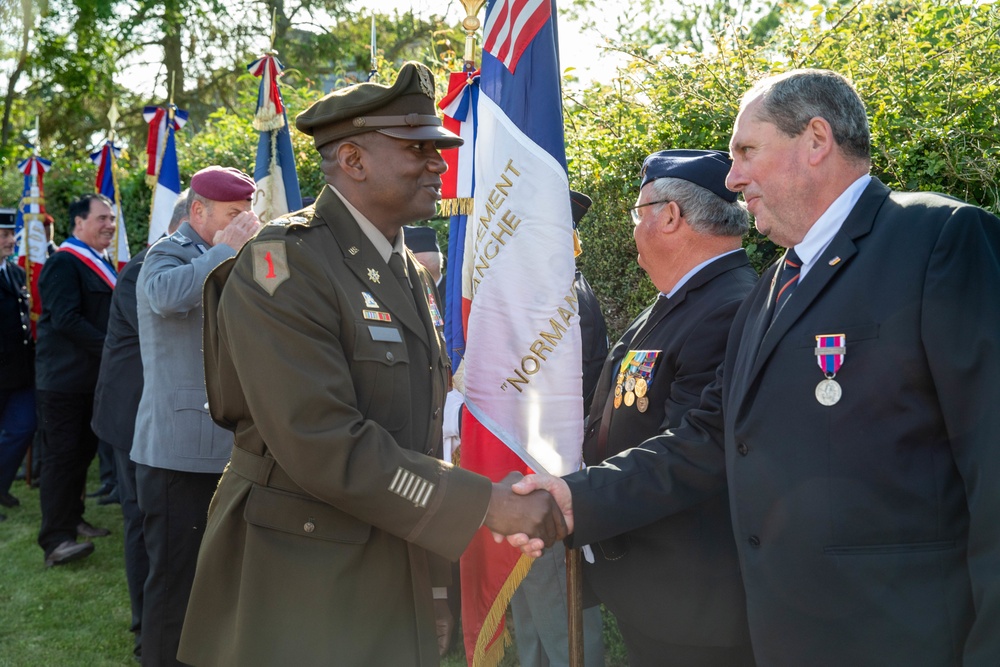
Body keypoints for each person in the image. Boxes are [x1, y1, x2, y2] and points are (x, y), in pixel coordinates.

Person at [512, 68, 1000, 666]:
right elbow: (713, 436)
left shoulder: (938, 240)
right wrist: (574, 499)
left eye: (746, 150)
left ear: (816, 140)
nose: (733, 175)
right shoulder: (772, 287)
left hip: (904, 637)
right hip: (786, 636)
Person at [177, 62, 564, 667]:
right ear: (353, 161)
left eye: (439, 150)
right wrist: (485, 504)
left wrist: (433, 587)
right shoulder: (279, 263)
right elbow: (321, 440)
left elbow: (414, 431)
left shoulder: (405, 267)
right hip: (302, 574)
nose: (438, 164)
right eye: (418, 149)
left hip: (390, 547)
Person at [580, 152, 757, 666]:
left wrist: (577, 500)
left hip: (693, 605)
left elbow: (695, 450)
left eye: (638, 213)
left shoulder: (727, 307)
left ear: (670, 215)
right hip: (656, 590)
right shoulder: (684, 298)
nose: (634, 228)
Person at [131, 169, 260, 667]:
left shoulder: (232, 254)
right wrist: (225, 251)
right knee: (174, 582)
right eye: (234, 215)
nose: (246, 223)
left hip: (227, 445)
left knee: (219, 578)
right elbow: (164, 296)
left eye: (249, 213)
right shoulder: (169, 252)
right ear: (198, 211)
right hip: (178, 451)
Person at [509, 190, 607, 667]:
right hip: (530, 466)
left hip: (546, 469)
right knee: (533, 609)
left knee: (559, 615)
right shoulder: (552, 286)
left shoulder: (557, 295)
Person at [90, 192, 189, 662]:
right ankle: (146, 627)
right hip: (133, 417)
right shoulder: (148, 267)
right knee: (143, 522)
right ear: (191, 219)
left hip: (158, 414)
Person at [35, 193, 116, 567]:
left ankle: (73, 518)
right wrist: (112, 348)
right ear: (78, 223)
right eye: (101, 218)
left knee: (81, 456)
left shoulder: (99, 262)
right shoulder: (64, 263)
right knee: (61, 459)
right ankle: (56, 540)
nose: (109, 225)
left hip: (89, 382)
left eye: (111, 219)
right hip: (63, 384)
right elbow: (65, 319)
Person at [0, 208, 35, 519]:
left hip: (19, 372)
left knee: (23, 427)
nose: (11, 240)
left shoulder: (12, 271)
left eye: (11, 234)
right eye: (5, 235)